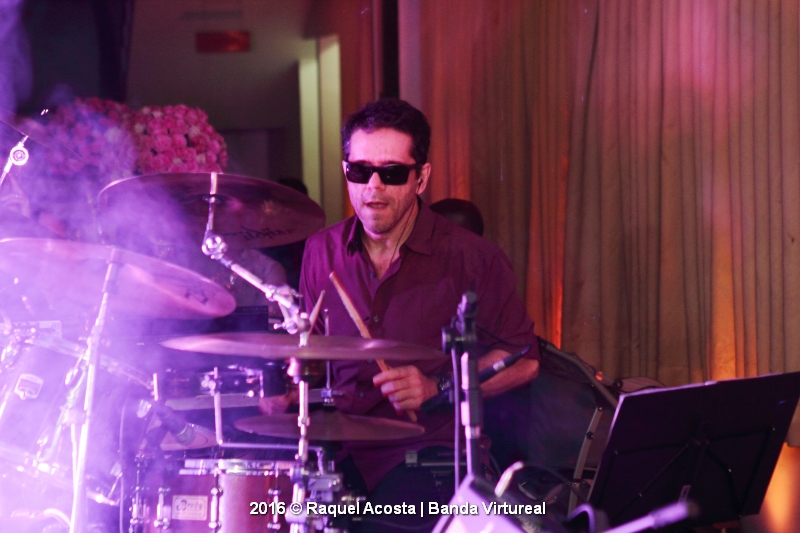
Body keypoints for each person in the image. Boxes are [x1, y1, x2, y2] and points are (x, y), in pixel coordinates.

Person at [275, 99, 540, 531]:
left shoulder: (473, 258)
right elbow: (316, 355)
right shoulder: (321, 250)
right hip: (340, 451)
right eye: (360, 171)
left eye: (393, 173)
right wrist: (293, 383)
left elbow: (523, 360)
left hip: (428, 457)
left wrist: (439, 388)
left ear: (421, 178)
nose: (373, 187)